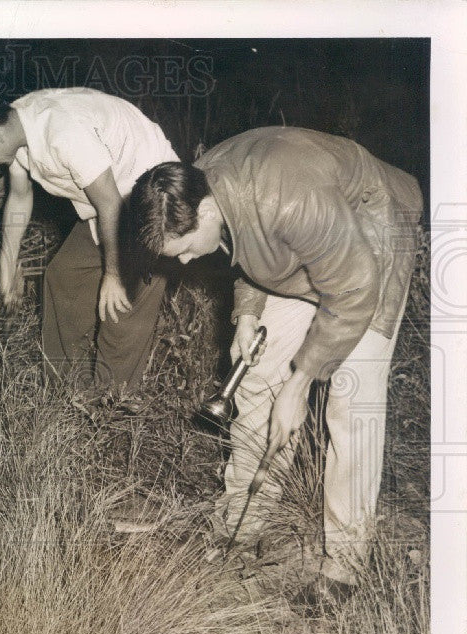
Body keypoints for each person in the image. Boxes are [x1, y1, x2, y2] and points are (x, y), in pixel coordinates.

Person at [127, 126, 423, 599]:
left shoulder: (287, 199)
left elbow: (352, 287)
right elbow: (247, 246)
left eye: (181, 249)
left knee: (351, 399)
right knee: (259, 374)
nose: (182, 263)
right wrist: (246, 315)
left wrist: (302, 381)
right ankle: (242, 523)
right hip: (312, 241)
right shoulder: (203, 186)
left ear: (203, 212)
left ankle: (343, 567)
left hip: (373, 231)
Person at [0, 88, 179, 395]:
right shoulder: (15, 121)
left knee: (120, 302)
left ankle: (112, 403)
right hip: (110, 201)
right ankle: (65, 390)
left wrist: (113, 275)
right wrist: (7, 264)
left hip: (155, 201)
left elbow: (110, 203)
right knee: (64, 276)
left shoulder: (63, 132)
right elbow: (19, 196)